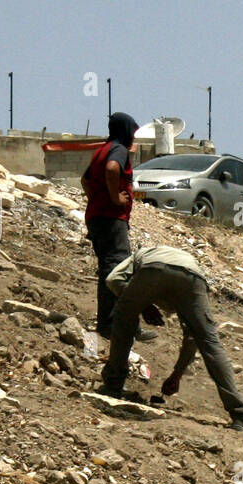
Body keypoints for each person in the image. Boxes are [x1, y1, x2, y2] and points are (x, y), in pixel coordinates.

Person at [102, 244, 243, 431]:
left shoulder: (141, 254)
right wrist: (178, 374)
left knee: (123, 316)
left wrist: (141, 304)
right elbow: (193, 338)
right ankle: (240, 415)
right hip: (193, 277)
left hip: (153, 268)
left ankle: (113, 385)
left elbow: (113, 279)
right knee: (209, 341)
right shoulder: (184, 259)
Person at [81, 112, 153, 342]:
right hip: (112, 219)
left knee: (107, 270)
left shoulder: (100, 150)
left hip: (96, 217)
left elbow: (85, 180)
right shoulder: (118, 150)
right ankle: (121, 326)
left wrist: (97, 198)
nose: (133, 137)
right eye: (132, 132)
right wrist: (114, 198)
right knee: (121, 271)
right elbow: (112, 169)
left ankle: (108, 323)